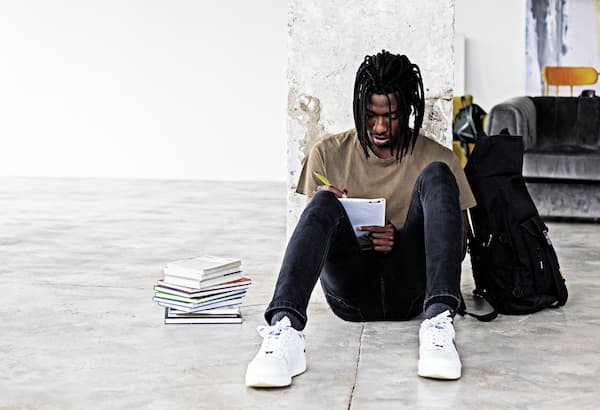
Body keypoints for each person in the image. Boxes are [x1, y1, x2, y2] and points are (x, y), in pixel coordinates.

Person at [245, 50, 476, 387]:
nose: (380, 126)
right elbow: (313, 238)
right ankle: (284, 332)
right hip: (350, 292)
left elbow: (457, 247)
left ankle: (439, 323)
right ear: (359, 108)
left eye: (392, 116)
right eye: (370, 115)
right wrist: (341, 219)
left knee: (438, 174)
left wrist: (401, 236)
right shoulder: (327, 153)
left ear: (409, 110)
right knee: (323, 201)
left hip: (410, 290)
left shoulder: (435, 156)